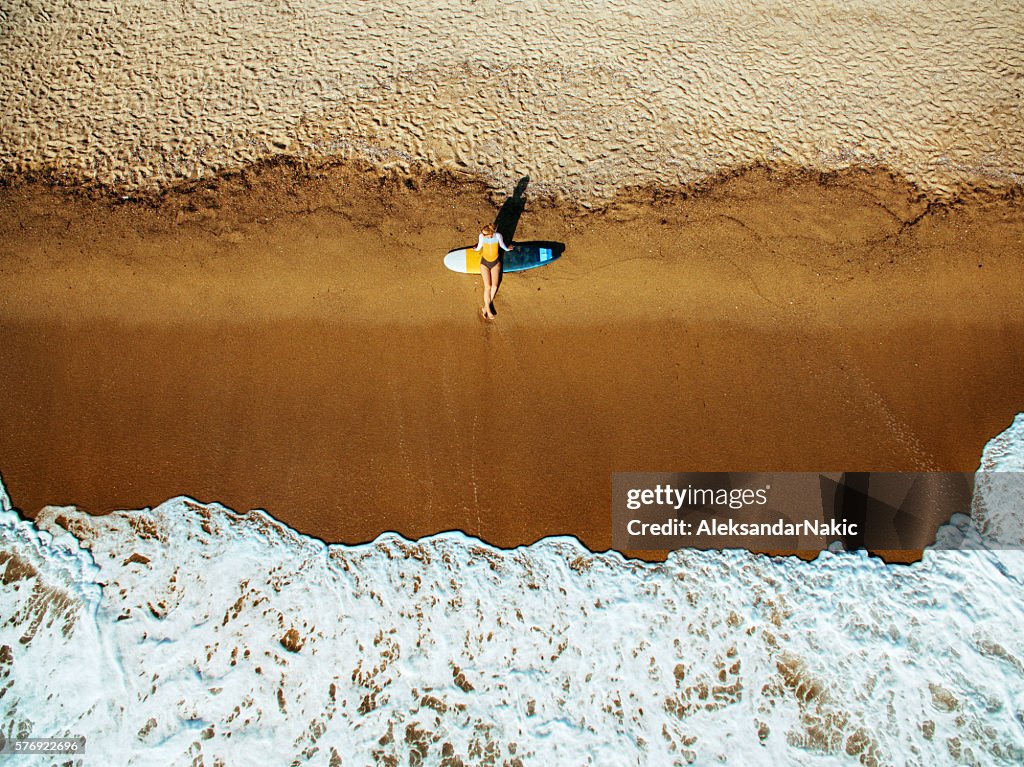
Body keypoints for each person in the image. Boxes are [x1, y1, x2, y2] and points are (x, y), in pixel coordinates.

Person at [473, 224, 512, 319]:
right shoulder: (481, 236)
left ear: (490, 234)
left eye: (484, 234)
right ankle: (489, 310)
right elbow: (479, 247)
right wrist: (475, 248)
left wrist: (508, 249)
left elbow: (502, 245)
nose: (482, 235)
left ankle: (485, 308)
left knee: (494, 286)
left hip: (495, 262)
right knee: (488, 286)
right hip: (484, 263)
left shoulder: (498, 236)